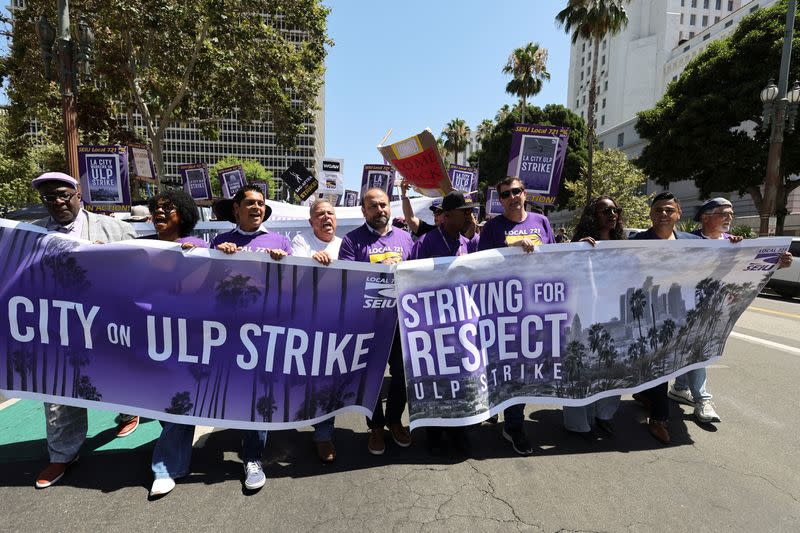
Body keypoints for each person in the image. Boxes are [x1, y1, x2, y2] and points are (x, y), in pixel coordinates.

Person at [29, 172, 140, 489]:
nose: (58, 202)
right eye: (50, 197)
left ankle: (127, 413)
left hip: (107, 323)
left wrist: (111, 257)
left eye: (63, 194)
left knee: (117, 377)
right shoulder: (32, 235)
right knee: (58, 390)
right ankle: (62, 455)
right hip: (58, 327)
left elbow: (142, 267)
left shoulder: (114, 228)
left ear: (79, 194)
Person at [667, 198, 792, 423]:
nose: (729, 218)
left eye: (731, 213)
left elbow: (752, 269)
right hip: (687, 309)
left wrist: (778, 261)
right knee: (698, 351)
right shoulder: (689, 240)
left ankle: (680, 387)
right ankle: (703, 399)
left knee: (693, 350)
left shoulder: (736, 243)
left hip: (718, 309)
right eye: (724, 213)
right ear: (706, 217)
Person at [211, 185, 291, 491]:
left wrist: (284, 263)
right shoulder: (220, 241)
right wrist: (216, 256)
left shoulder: (279, 241)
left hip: (265, 330)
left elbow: (296, 282)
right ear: (236, 209)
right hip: (229, 331)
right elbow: (207, 281)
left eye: (260, 203)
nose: (256, 208)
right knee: (236, 390)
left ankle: (253, 456)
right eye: (249, 203)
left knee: (260, 392)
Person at [477, 176, 555, 456]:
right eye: (506, 194)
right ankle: (513, 424)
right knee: (507, 365)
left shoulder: (541, 221)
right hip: (503, 309)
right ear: (500, 200)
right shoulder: (492, 228)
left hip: (535, 307)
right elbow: (480, 265)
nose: (513, 196)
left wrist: (581, 248)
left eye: (517, 191)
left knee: (524, 366)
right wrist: (510, 249)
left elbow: (555, 257)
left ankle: (509, 417)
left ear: (525, 193)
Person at [338, 187, 414, 455]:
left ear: (389, 207)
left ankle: (394, 421)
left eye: (383, 205)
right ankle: (375, 427)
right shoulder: (351, 241)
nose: (380, 210)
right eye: (373, 206)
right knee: (370, 377)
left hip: (401, 325)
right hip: (367, 325)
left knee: (402, 376)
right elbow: (346, 280)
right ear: (363, 210)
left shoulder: (406, 239)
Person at [140, 189, 206, 497]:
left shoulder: (200, 248)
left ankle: (165, 467)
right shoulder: (140, 248)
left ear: (185, 214)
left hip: (189, 338)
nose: (161, 213)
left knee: (178, 397)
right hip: (149, 336)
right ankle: (173, 451)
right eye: (157, 209)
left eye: (169, 208)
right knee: (158, 399)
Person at [410, 190, 479, 454]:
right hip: (433, 325)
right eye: (465, 212)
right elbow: (411, 278)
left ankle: (459, 429)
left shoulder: (468, 243)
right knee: (436, 379)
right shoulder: (426, 242)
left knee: (460, 379)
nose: (470, 216)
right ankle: (435, 432)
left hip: (461, 326)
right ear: (447, 216)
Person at [630, 191, 701, 444]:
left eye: (669, 210)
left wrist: (735, 245)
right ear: (651, 213)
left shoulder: (692, 241)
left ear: (678, 214)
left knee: (668, 362)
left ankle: (647, 396)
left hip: (678, 314)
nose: (663, 214)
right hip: (646, 314)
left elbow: (718, 259)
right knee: (659, 363)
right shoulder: (636, 242)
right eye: (658, 209)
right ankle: (659, 419)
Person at [562, 196, 626, 439]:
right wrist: (576, 250)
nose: (612, 215)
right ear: (592, 216)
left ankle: (605, 415)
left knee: (612, 364)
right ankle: (579, 421)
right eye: (605, 211)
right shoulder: (578, 245)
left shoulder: (623, 244)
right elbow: (566, 274)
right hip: (584, 314)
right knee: (583, 365)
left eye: (615, 210)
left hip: (612, 314)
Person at [290, 199, 342, 463]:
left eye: (330, 213)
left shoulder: (345, 245)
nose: (326, 217)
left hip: (336, 324)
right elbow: (295, 269)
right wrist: (312, 259)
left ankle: (323, 434)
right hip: (304, 324)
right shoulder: (301, 242)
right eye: (320, 214)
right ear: (311, 222)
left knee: (327, 382)